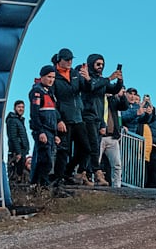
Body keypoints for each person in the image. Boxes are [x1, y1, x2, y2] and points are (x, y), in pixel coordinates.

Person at [79, 54, 124, 185]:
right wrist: (109, 78)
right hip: (87, 116)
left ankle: (84, 173)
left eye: (102, 65)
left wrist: (120, 80)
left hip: (98, 118)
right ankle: (96, 173)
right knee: (92, 146)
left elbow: (114, 89)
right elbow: (91, 86)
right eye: (98, 64)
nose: (100, 67)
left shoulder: (101, 80)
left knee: (92, 147)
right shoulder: (87, 78)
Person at [50, 48, 91, 185]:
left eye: (71, 59)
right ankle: (58, 178)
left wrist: (87, 79)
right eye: (67, 59)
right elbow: (51, 99)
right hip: (64, 118)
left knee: (86, 148)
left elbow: (86, 89)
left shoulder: (74, 73)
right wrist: (58, 119)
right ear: (59, 60)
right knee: (63, 150)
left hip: (78, 117)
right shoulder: (53, 75)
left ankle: (68, 172)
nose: (69, 62)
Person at [29, 65, 62, 190]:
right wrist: (40, 131)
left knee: (47, 158)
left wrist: (55, 134)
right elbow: (35, 114)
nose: (51, 80)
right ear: (42, 76)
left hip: (50, 131)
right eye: (49, 77)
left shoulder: (50, 92)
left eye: (53, 77)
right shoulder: (37, 92)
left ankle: (40, 185)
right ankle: (40, 185)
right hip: (42, 130)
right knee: (44, 159)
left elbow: (53, 114)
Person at [97, 87, 131, 187]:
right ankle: (93, 181)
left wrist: (123, 96)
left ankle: (117, 185)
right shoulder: (97, 99)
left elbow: (124, 106)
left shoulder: (113, 100)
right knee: (95, 162)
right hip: (100, 136)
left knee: (117, 164)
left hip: (113, 137)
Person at [6, 100, 31, 184]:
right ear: (14, 108)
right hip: (16, 152)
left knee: (21, 174)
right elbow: (13, 137)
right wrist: (18, 152)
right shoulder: (12, 120)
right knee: (15, 175)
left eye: (23, 107)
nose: (21, 109)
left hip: (22, 151)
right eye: (19, 107)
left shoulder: (19, 120)